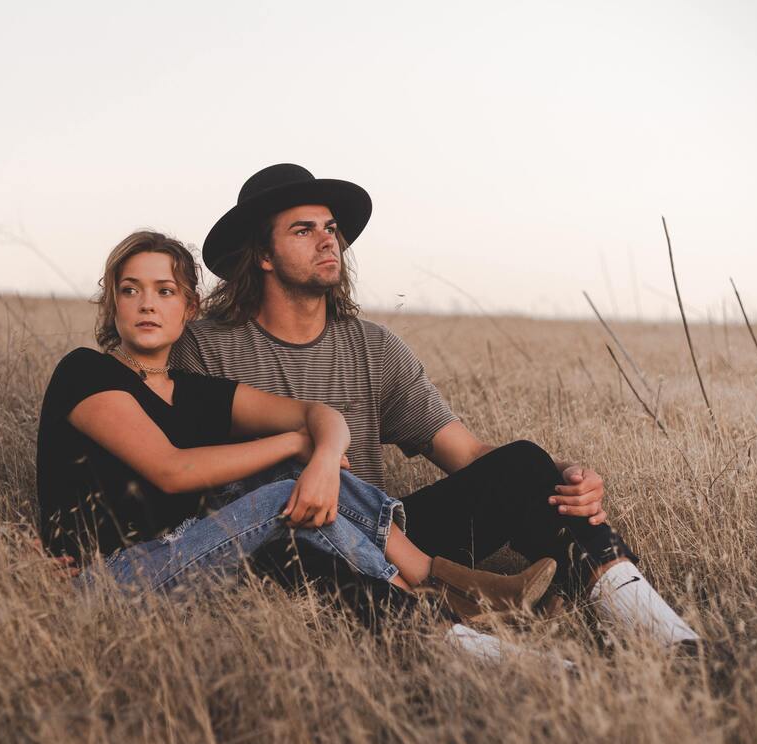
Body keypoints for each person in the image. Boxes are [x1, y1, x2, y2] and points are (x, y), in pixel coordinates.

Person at [169, 163, 701, 652]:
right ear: (263, 255)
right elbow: (185, 480)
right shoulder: (206, 348)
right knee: (291, 545)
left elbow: (466, 452)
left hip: (388, 535)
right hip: (287, 538)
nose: (328, 240)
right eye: (303, 230)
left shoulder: (373, 347)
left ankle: (663, 634)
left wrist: (559, 477)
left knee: (523, 464)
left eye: (330, 228)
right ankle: (484, 651)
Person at [36, 230, 563, 659]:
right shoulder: (85, 372)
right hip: (111, 579)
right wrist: (297, 445)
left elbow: (323, 416)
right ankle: (438, 586)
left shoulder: (195, 392)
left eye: (164, 291)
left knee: (294, 484)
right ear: (112, 303)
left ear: (189, 308)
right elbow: (172, 470)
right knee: (279, 486)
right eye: (130, 290)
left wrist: (325, 456)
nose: (146, 304)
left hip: (193, 559)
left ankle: (442, 600)